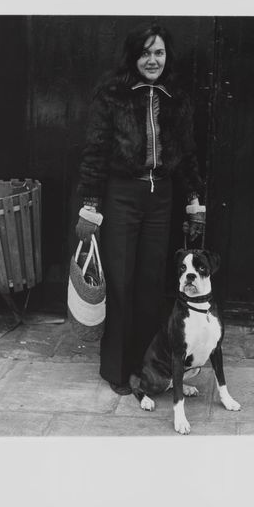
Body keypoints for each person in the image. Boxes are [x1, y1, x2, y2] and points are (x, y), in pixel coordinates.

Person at [75, 22, 206, 395]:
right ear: (134, 56)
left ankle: (149, 368)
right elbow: (95, 151)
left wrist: (194, 201)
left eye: (159, 53)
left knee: (151, 284)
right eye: (146, 53)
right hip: (121, 196)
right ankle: (118, 371)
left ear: (167, 57)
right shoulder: (112, 96)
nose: (152, 60)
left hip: (160, 198)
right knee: (121, 282)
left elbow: (187, 155)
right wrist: (90, 205)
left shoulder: (176, 98)